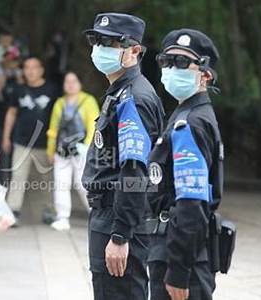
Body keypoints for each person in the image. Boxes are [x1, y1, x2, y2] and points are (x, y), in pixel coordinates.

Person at [81, 13, 165, 299]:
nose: (101, 48)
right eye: (97, 41)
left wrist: (120, 235)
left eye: (112, 43)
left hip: (118, 218)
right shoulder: (119, 93)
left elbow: (134, 172)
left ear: (134, 50)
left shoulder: (133, 99)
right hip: (108, 215)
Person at [147, 29, 224, 300]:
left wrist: (178, 271)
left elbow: (191, 203)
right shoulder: (187, 114)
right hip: (178, 252)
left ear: (206, 74)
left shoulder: (190, 122)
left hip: (181, 259)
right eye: (165, 61)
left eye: (181, 62)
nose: (170, 68)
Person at [2, 57, 59, 226]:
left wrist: (57, 141)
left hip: (45, 143)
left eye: (34, 67)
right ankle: (12, 211)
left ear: (41, 70)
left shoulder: (52, 90)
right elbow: (11, 113)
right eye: (27, 67)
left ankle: (49, 210)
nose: (30, 71)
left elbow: (59, 114)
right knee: (17, 177)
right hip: (22, 142)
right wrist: (6, 137)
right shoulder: (19, 90)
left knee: (47, 179)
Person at [46, 71, 99, 231]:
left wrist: (88, 148)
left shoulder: (88, 101)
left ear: (80, 83)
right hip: (62, 151)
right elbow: (53, 129)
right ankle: (62, 217)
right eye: (67, 81)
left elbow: (94, 125)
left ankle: (95, 213)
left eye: (74, 81)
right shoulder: (59, 103)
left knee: (83, 184)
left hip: (81, 151)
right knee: (61, 184)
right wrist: (51, 150)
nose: (70, 85)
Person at [0, 46, 24, 185]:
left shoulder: (20, 75)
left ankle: (14, 180)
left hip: (18, 119)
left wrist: (20, 79)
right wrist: (0, 82)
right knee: (1, 148)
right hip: (0, 116)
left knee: (16, 150)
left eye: (14, 60)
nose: (11, 63)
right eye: (8, 59)